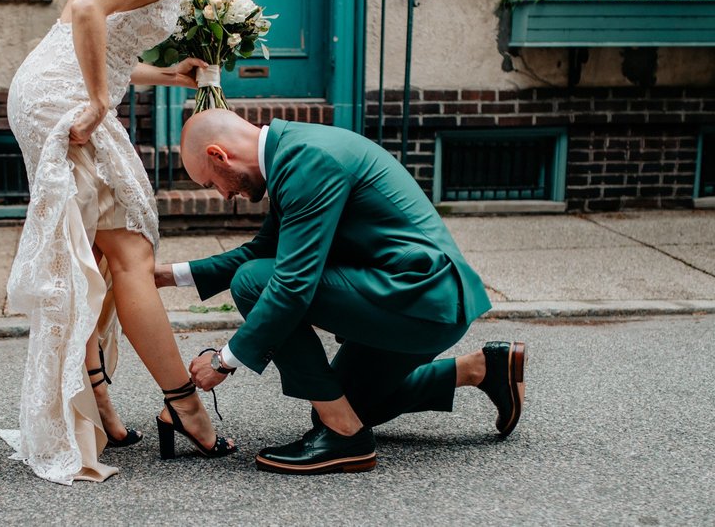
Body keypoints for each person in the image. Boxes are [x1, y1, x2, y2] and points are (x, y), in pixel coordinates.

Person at [0, 0, 284, 484]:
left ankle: (97, 393)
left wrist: (167, 76)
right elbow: (85, 9)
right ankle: (183, 405)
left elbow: (111, 38)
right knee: (130, 250)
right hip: (64, 96)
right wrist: (101, 102)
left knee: (101, 253)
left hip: (53, 84)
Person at [155, 109, 527, 475]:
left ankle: (344, 437)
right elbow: (262, 250)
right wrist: (165, 276)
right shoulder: (294, 152)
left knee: (255, 283)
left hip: (419, 297)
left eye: (211, 183)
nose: (223, 195)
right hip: (417, 298)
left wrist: (225, 360)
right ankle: (481, 369)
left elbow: (291, 285)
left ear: (218, 155)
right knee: (340, 403)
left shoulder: (307, 161)